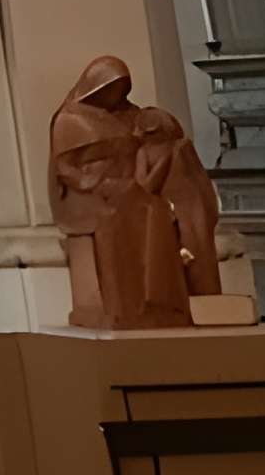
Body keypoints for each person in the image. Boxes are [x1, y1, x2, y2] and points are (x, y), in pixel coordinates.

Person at [48, 54, 221, 329]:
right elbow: (66, 170)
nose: (115, 96)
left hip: (135, 187)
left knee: (172, 207)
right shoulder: (69, 120)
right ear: (94, 88)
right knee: (131, 215)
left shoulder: (132, 115)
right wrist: (99, 182)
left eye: (120, 89)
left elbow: (152, 142)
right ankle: (131, 304)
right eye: (109, 89)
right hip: (94, 194)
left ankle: (169, 302)